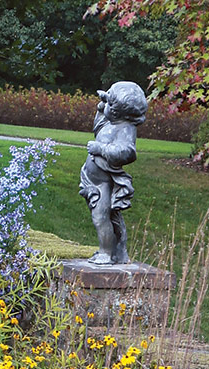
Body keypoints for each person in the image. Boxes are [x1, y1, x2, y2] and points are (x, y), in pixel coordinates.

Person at [79, 81, 148, 265]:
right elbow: (98, 127)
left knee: (101, 218)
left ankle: (106, 253)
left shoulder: (125, 129)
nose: (104, 106)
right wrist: (102, 108)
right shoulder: (112, 122)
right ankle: (116, 252)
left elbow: (127, 152)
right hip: (92, 180)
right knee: (105, 217)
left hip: (104, 183)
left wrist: (100, 149)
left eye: (108, 104)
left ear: (118, 111)